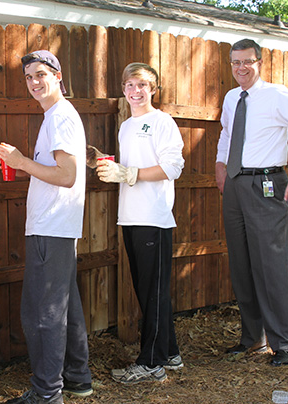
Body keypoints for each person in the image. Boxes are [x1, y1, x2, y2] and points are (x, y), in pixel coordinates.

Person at [215, 38, 288, 367]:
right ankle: (253, 338)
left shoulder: (277, 95)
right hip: (236, 185)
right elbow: (226, 134)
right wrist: (221, 166)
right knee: (242, 264)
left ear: (259, 62)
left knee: (271, 266)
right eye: (235, 63)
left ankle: (285, 343)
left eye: (247, 62)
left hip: (267, 185)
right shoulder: (232, 97)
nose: (241, 68)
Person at [0, 50, 92, 404]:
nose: (35, 82)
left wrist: (21, 163)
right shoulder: (56, 115)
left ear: (57, 75)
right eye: (29, 77)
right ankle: (77, 377)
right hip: (57, 226)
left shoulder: (61, 117)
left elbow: (67, 176)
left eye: (41, 74)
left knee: (42, 310)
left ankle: (47, 392)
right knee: (66, 305)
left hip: (51, 226)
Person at [97, 62, 185, 384]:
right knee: (148, 290)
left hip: (154, 217)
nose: (136, 92)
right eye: (130, 86)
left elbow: (173, 167)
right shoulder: (126, 127)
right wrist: (113, 167)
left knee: (153, 292)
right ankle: (170, 353)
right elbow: (129, 168)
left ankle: (151, 363)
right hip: (130, 216)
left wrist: (131, 174)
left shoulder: (162, 122)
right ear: (123, 90)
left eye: (143, 85)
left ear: (154, 89)